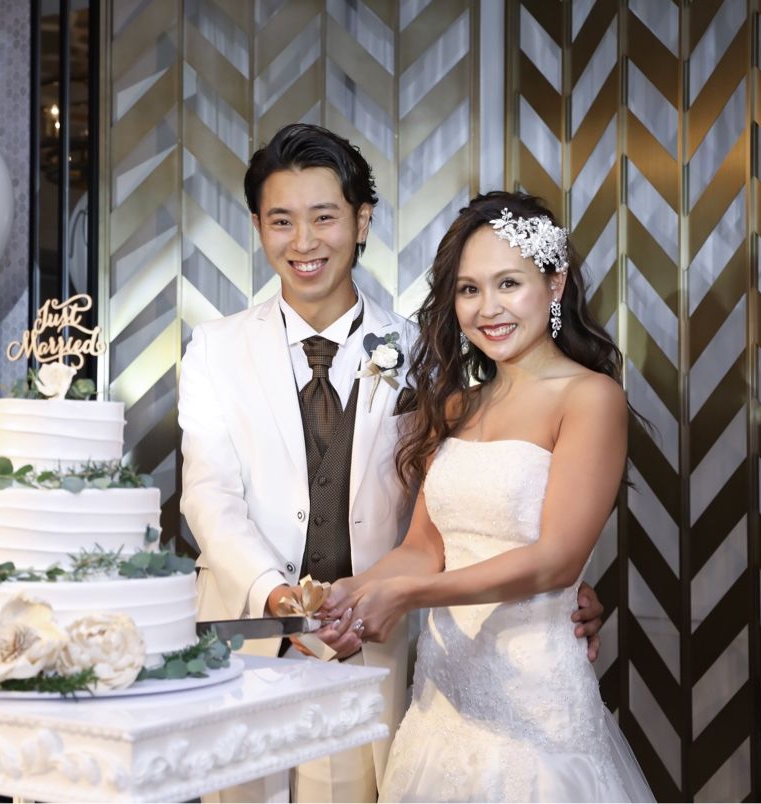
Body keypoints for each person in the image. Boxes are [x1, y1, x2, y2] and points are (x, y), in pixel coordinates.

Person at [179, 126, 606, 802]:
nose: (303, 241)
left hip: (373, 649)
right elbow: (209, 498)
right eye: (281, 221)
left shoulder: (428, 357)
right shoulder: (213, 349)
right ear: (258, 227)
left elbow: (497, 500)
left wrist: (564, 589)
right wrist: (278, 594)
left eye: (324, 217)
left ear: (361, 221)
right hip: (245, 635)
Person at [323, 191, 654, 801]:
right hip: (442, 698)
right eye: (469, 289)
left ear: (554, 285)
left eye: (509, 283)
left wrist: (409, 595)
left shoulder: (590, 398)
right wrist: (355, 590)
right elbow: (424, 549)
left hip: (537, 706)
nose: (488, 308)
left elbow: (556, 561)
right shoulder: (456, 405)